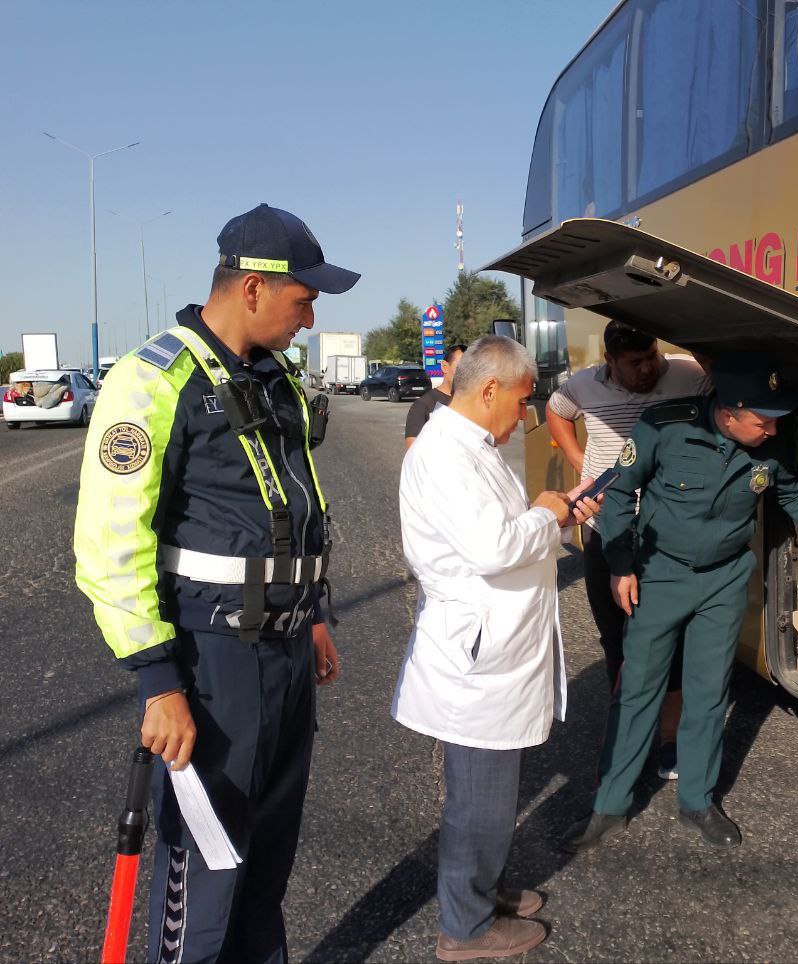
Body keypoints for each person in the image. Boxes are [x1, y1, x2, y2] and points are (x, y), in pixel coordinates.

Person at [74, 203, 359, 963]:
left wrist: (315, 612)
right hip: (211, 663)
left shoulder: (276, 380)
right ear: (255, 290)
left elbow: (295, 508)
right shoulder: (152, 379)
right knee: (208, 872)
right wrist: (156, 681)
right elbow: (109, 546)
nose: (310, 315)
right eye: (304, 298)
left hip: (288, 649)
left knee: (267, 864)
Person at [561, 351, 798, 853]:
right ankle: (609, 805)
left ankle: (697, 800)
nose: (773, 431)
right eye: (762, 421)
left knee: (709, 692)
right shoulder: (663, 427)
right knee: (638, 691)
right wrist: (622, 565)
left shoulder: (770, 438)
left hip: (724, 581)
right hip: (658, 576)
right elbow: (622, 494)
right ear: (728, 412)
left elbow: (793, 491)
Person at [392, 335, 601, 962]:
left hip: (495, 643)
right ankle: (466, 927)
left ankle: (485, 890)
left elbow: (502, 531)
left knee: (492, 795)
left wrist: (550, 511)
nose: (526, 415)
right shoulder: (444, 453)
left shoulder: (471, 445)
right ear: (488, 389)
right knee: (479, 802)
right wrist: (547, 514)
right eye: (521, 400)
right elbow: (493, 548)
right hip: (478, 657)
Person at [546, 321, 710, 779]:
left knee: (672, 638)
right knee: (615, 636)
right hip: (606, 527)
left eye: (652, 356)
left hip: (667, 530)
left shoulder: (686, 373)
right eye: (635, 362)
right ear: (609, 361)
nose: (648, 368)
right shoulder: (583, 385)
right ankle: (628, 732)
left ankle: (670, 740)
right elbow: (555, 410)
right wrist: (583, 463)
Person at [405, 343, 466, 450]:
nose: (466, 373)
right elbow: (414, 452)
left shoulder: (473, 404)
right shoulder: (423, 406)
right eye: (461, 367)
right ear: (444, 366)